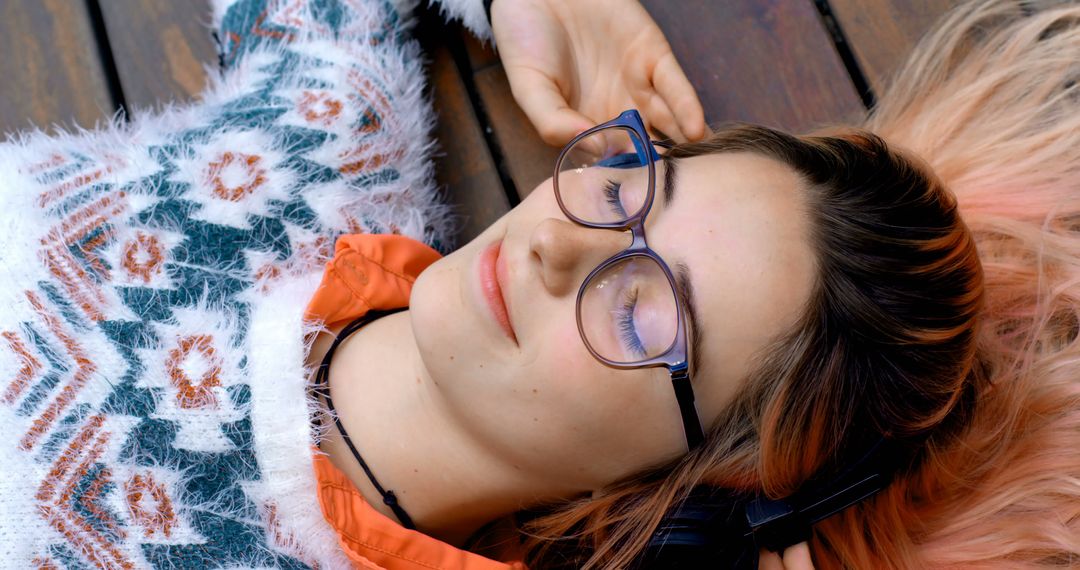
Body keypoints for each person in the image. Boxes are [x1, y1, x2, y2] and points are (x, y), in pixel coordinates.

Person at [310, 0, 1080, 568]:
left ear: (711, 479)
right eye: (620, 192)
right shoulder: (324, 148)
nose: (551, 241)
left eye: (642, 312)